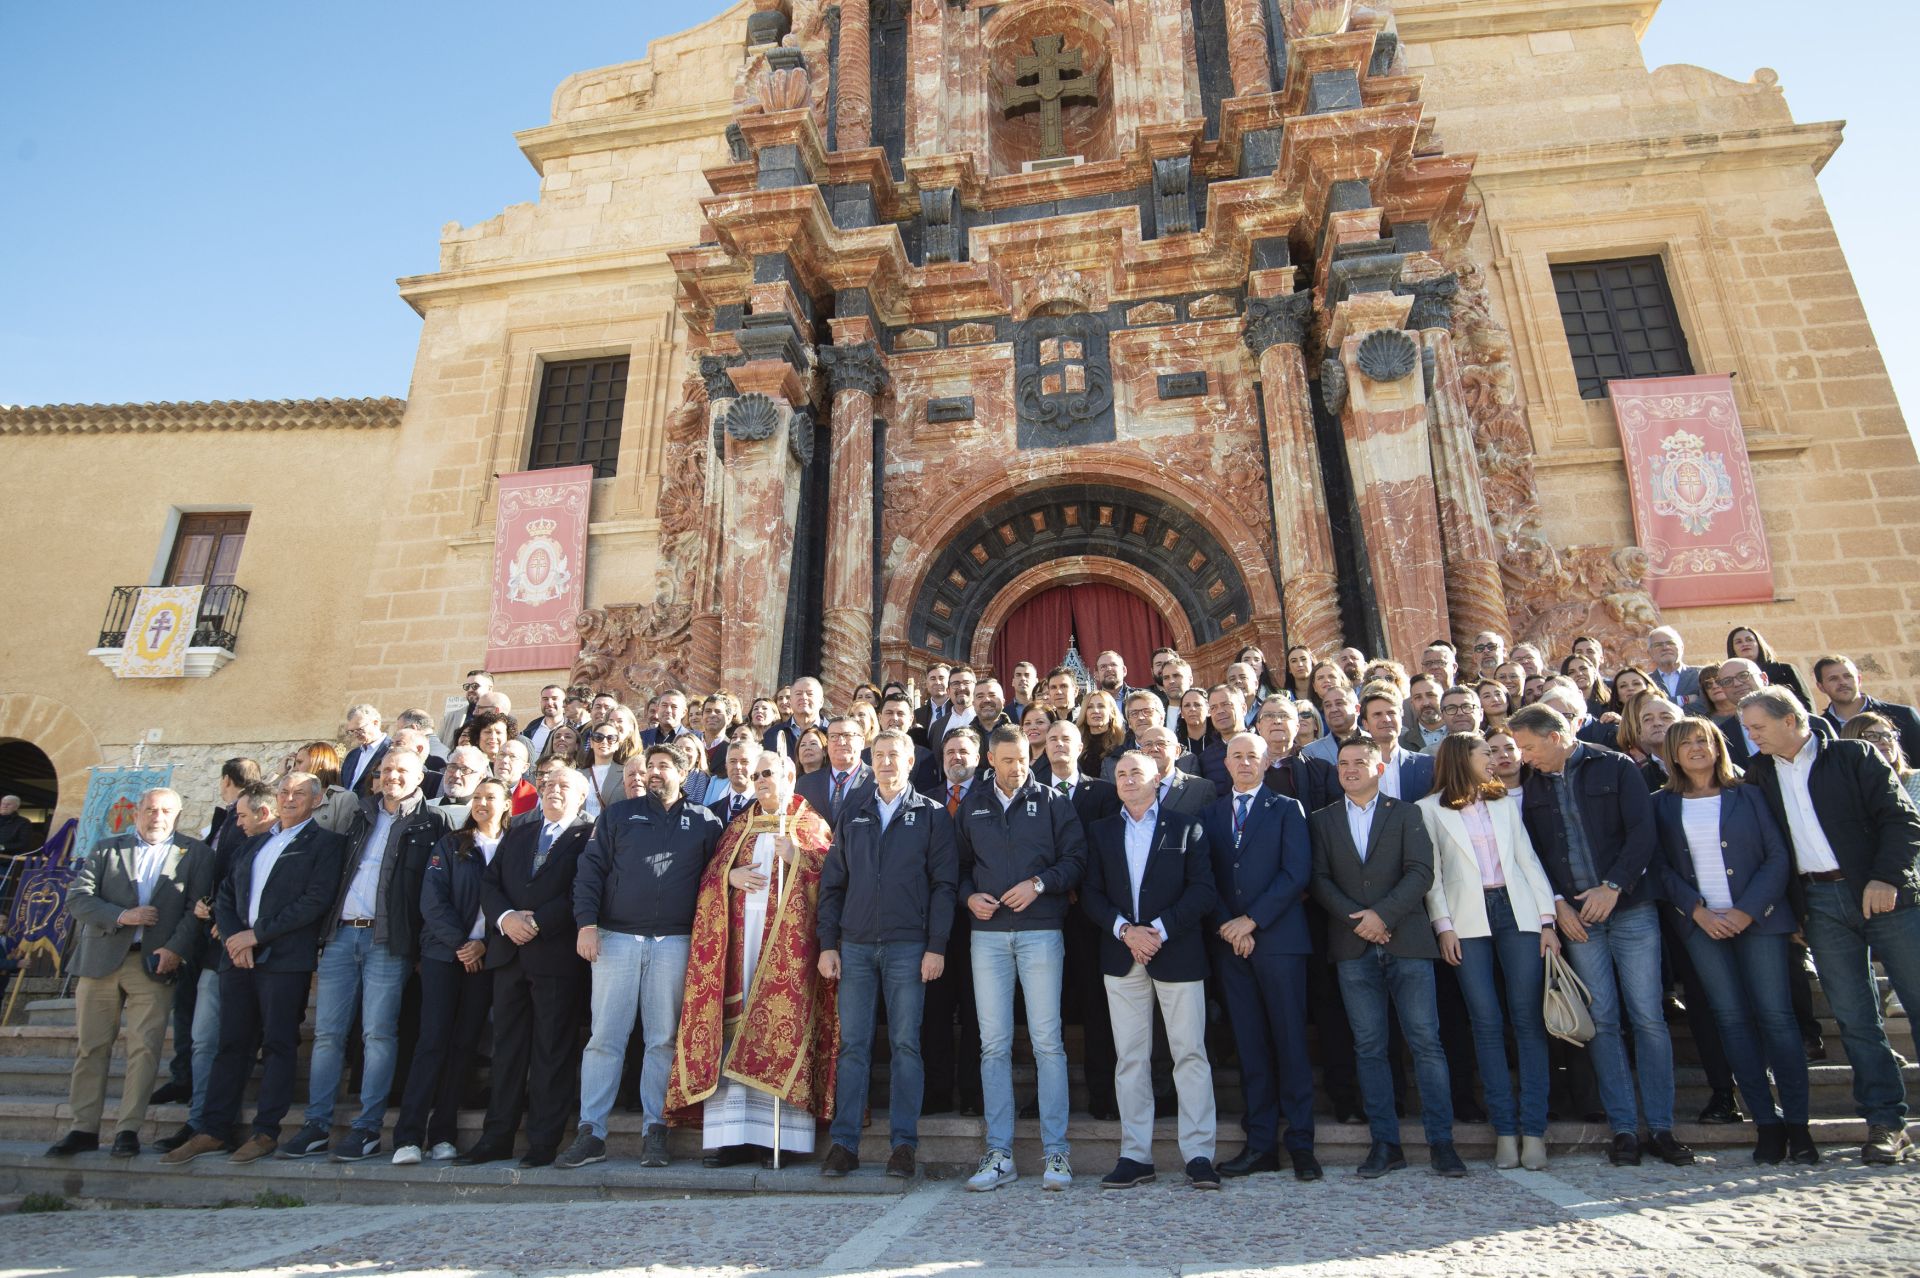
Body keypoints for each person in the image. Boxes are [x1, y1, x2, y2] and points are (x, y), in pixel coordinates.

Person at [1738, 687, 1920, 1165]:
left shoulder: (1854, 755)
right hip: (1818, 903)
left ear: (1790, 719)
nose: (1751, 735)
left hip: (1884, 896)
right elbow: (1767, 848)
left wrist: (1885, 878)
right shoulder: (1759, 774)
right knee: (1857, 1020)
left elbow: (1903, 821)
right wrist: (1792, 911)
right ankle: (1886, 1123)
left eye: (1757, 726)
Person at [1508, 704, 1690, 1168]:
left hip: (1630, 909)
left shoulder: (1616, 765)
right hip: (1578, 919)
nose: (1524, 758)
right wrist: (1560, 906)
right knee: (1602, 1020)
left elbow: (1643, 833)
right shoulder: (1532, 786)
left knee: (1648, 1017)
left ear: (1554, 736)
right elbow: (1535, 855)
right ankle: (1624, 1128)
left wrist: (1614, 886)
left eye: (1529, 747)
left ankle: (1663, 1128)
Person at [1651, 717, 1813, 1165]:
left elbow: (1778, 855)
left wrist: (1746, 911)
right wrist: (1698, 911)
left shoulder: (1750, 794)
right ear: (1673, 754)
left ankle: (1798, 1127)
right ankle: (1766, 1123)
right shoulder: (1661, 804)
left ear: (1718, 745)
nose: (1697, 748)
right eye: (1686, 744)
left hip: (1759, 921)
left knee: (1777, 1018)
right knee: (1732, 1020)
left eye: (1703, 739)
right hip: (1702, 926)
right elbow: (1661, 867)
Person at [163, 774, 348, 1164]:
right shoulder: (255, 842)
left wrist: (256, 936)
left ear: (316, 802)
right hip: (238, 959)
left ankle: (266, 1131)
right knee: (230, 1045)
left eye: (299, 793)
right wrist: (234, 937)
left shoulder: (327, 844)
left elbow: (315, 900)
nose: (289, 798)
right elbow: (227, 892)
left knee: (279, 1045)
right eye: (284, 791)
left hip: (283, 961)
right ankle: (213, 1129)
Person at [560, 743, 725, 1171]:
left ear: (684, 773)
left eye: (664, 767)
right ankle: (591, 1131)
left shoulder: (706, 822)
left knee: (662, 1041)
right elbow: (590, 871)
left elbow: (715, 879)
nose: (653, 773)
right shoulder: (617, 816)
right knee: (604, 1039)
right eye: (649, 766)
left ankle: (656, 1129)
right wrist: (586, 924)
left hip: (674, 942)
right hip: (616, 939)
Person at [667, 752, 837, 1167]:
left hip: (787, 955)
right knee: (733, 1032)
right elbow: (707, 877)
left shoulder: (809, 823)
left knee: (777, 1030)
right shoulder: (739, 824)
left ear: (789, 776)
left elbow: (832, 878)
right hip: (737, 948)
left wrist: (797, 857)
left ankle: (778, 1139)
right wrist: (728, 878)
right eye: (756, 775)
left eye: (768, 774)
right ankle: (731, 1137)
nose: (760, 780)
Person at [280, 750, 451, 1162]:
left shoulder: (432, 823)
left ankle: (367, 1127)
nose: (392, 776)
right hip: (341, 934)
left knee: (377, 1034)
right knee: (327, 1036)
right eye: (386, 769)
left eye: (402, 770)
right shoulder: (358, 815)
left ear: (419, 777)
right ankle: (316, 1124)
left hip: (387, 940)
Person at [1309, 736, 1465, 1179]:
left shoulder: (1407, 813)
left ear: (1379, 769)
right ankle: (1385, 1143)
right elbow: (1319, 879)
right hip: (1353, 945)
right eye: (1344, 763)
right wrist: (1360, 921)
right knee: (1370, 1046)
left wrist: (1383, 915)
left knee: (1426, 1044)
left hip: (1407, 942)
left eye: (1361, 762)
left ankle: (1442, 1144)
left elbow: (1421, 872)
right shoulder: (1322, 820)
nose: (1351, 769)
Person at [817, 729, 958, 1179]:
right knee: (853, 1047)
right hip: (855, 946)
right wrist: (827, 944)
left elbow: (944, 887)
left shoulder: (933, 815)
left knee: (904, 1045)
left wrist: (936, 946)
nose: (887, 763)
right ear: (869, 761)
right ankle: (844, 1144)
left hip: (908, 946)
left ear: (910, 762)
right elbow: (833, 885)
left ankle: (903, 1146)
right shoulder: (853, 811)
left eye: (894, 756)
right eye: (879, 756)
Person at [1417, 735, 1559, 1172]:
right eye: (1486, 754)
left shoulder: (1504, 803)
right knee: (1485, 1022)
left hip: (1517, 911)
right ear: (1463, 759)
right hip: (1467, 919)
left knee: (1527, 1019)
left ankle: (1533, 1130)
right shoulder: (1428, 809)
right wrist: (1443, 927)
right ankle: (1504, 1131)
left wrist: (1548, 920)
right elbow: (1434, 876)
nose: (1496, 760)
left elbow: (1528, 860)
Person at [957, 724, 1087, 1191]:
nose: (1018, 768)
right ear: (990, 759)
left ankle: (1057, 1154)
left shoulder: (1053, 801)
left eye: (1023, 758)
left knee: (1047, 1043)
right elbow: (957, 867)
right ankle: (999, 1153)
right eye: (1008, 760)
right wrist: (969, 898)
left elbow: (1076, 860)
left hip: (1041, 932)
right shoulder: (972, 805)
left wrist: (1039, 885)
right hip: (987, 937)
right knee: (993, 1044)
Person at [46, 789, 210, 1159]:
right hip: (100, 960)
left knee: (144, 1049)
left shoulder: (196, 853)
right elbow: (78, 898)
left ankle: (127, 1130)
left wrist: (175, 950)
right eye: (151, 809)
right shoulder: (107, 848)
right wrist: (122, 916)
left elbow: (195, 910)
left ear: (178, 814)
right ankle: (83, 1128)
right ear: (137, 813)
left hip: (153, 963)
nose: (158, 816)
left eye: (166, 810)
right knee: (91, 1048)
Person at [1081, 751, 1220, 1190]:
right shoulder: (1101, 831)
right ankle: (1135, 1154)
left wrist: (1156, 931)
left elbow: (1202, 892)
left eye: (1134, 772)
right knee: (1131, 1059)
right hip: (1122, 957)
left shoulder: (1186, 827)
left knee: (1189, 1054)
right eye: (1119, 773)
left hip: (1176, 954)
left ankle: (1198, 1154)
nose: (1125, 779)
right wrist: (1126, 932)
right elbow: (1091, 894)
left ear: (1158, 778)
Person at [455, 767, 596, 1167]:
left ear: (581, 796)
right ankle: (496, 1137)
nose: (553, 791)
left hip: (554, 955)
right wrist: (505, 920)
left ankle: (543, 1140)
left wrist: (535, 922)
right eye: (548, 785)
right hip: (508, 955)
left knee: (551, 1050)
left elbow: (581, 891)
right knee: (507, 1049)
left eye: (563, 786)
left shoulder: (589, 836)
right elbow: (490, 884)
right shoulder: (519, 832)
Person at [1202, 732, 1320, 1181]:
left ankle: (1302, 1145)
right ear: (1226, 764)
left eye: (1254, 755)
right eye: (1238, 756)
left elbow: (1296, 873)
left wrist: (1251, 921)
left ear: (1267, 762)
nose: (1245, 762)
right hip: (1230, 946)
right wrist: (1229, 926)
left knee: (1290, 1042)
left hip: (1279, 942)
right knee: (1250, 1046)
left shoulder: (1287, 809)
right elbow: (1205, 877)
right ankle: (1260, 1145)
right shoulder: (1211, 814)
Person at [155, 781, 278, 1155]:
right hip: (219, 953)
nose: (236, 823)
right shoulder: (239, 842)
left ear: (263, 812)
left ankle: (235, 1125)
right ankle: (201, 1123)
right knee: (207, 1040)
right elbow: (223, 891)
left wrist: (243, 932)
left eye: (241, 816)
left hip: (269, 957)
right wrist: (215, 916)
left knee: (251, 1042)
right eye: (235, 816)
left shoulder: (286, 844)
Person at [392, 776, 510, 1165]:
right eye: (477, 797)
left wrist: (485, 946)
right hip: (446, 956)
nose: (481, 803)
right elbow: (433, 899)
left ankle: (443, 1133)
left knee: (464, 1046)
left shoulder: (513, 848)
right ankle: (409, 1135)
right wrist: (463, 944)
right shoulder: (451, 844)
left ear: (507, 804)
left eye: (490, 797)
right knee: (432, 1041)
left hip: (486, 959)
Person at [1041, 718, 1124, 1121]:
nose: (1058, 744)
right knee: (1044, 1010)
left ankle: (1102, 1094)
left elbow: (1108, 848)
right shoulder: (1030, 794)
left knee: (1095, 1007)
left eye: (1066, 739)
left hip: (1090, 916)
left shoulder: (1103, 793)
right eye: (1052, 738)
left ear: (1079, 747)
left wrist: (1079, 885)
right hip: (1042, 915)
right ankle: (1043, 1095)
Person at [921, 728, 985, 1118]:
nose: (956, 757)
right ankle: (937, 1090)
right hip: (932, 919)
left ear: (979, 757)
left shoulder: (992, 798)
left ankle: (974, 1092)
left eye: (964, 751)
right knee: (935, 1009)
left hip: (980, 916)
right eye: (949, 752)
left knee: (978, 1009)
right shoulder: (927, 803)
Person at [1815, 654, 1920, 764]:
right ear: (1820, 687)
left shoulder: (1903, 715)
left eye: (1848, 676)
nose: (1843, 682)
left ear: (1859, 680)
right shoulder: (1819, 729)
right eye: (1833, 679)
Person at [796, 715, 875, 827]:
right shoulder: (806, 784)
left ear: (862, 742)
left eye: (848, 735)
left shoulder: (876, 781)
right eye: (833, 736)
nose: (841, 742)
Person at [1358, 687, 1436, 800]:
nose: (1386, 719)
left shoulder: (1427, 765)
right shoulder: (1355, 768)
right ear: (1365, 724)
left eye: (1391, 713)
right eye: (1377, 714)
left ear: (1401, 718)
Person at [1844, 712, 1920, 808]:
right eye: (1873, 736)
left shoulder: (1916, 779)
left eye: (1888, 735)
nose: (1885, 741)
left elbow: (1912, 817)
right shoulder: (1845, 791)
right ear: (1853, 743)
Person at [1139, 725, 1216, 815]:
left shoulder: (1201, 788)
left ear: (1177, 751)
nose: (1154, 749)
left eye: (1161, 743)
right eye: (1148, 744)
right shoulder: (1130, 788)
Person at [1726, 626, 1809, 708]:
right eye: (1738, 642)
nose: (1745, 644)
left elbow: (1806, 703)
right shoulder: (1730, 679)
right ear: (1733, 650)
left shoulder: (1786, 670)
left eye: (1749, 640)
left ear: (1759, 644)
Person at [583, 716, 634, 820]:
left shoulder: (626, 773)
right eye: (598, 737)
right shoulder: (577, 774)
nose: (604, 742)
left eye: (611, 738)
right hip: (581, 831)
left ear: (617, 745)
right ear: (592, 743)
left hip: (611, 830)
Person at [1646, 626, 1703, 708]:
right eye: (1658, 645)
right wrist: (1683, 700)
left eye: (1671, 643)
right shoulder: (1645, 681)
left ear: (1682, 648)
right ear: (1649, 653)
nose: (1665, 647)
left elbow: (1705, 706)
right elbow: (1643, 706)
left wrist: (1660, 704)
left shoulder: (1701, 674)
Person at [339, 704, 390, 796]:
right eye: (352, 731)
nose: (356, 734)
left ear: (375, 723)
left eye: (360, 729)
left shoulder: (392, 750)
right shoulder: (352, 755)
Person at [1076, 690, 1127, 780]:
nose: (1095, 711)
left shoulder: (1122, 743)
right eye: (1090, 707)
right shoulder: (1076, 743)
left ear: (1111, 712)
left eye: (1101, 706)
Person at [710, 738, 760, 826]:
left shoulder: (764, 807)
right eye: (732, 761)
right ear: (726, 766)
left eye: (744, 762)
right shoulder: (712, 811)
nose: (738, 766)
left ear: (757, 766)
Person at [440, 670, 492, 744]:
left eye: (475, 686)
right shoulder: (450, 718)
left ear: (489, 689)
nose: (470, 690)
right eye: (467, 686)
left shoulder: (499, 718)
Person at [1402, 674, 1448, 752]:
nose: (1426, 703)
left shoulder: (1461, 733)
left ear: (1444, 698)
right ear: (1412, 703)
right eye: (1418, 697)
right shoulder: (1402, 743)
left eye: (1431, 695)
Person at [524, 684, 568, 760]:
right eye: (545, 699)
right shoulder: (530, 729)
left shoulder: (573, 728)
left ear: (564, 703)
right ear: (540, 702)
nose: (549, 702)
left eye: (554, 698)